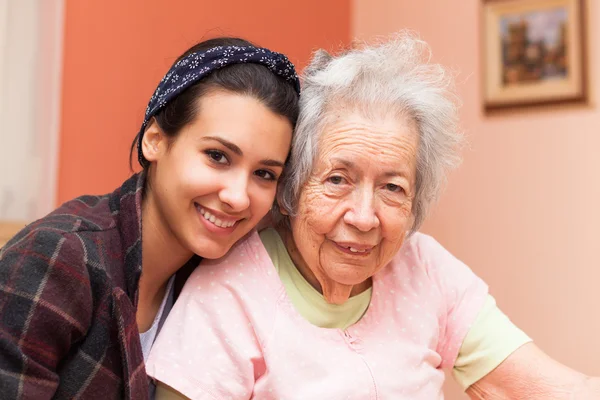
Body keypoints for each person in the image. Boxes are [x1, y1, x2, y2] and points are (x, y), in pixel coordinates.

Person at [146, 33, 600, 399]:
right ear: (292, 188)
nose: (365, 218)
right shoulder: (226, 294)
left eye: (392, 188)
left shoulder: (424, 268)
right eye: (338, 180)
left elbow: (544, 386)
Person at [0, 37, 300, 399]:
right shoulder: (59, 258)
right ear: (154, 140)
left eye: (265, 174)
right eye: (217, 156)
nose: (238, 197)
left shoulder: (221, 279)